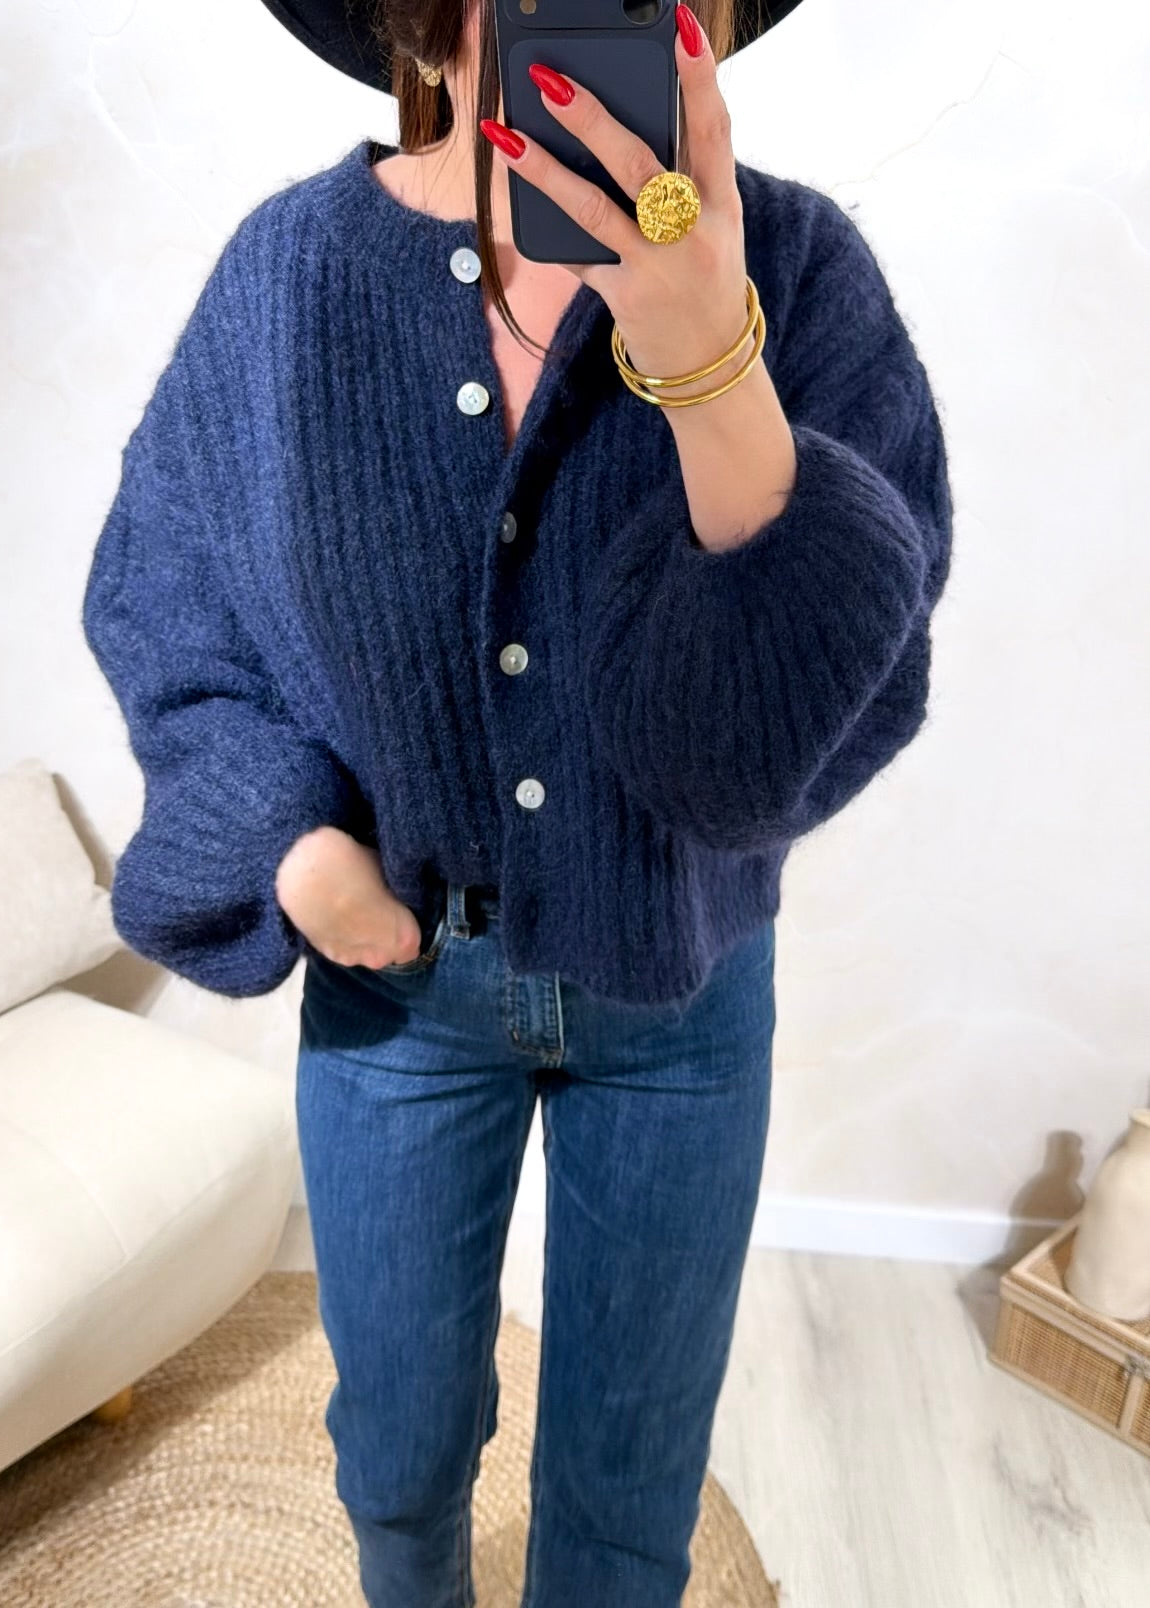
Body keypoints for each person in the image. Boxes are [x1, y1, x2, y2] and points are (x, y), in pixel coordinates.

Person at [81, 2, 953, 1603]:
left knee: (627, 1497)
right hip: (397, 996)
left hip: (681, 1003)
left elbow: (777, 743)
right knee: (396, 1457)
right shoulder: (290, 275)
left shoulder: (799, 272)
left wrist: (706, 354)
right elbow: (167, 606)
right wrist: (289, 846)